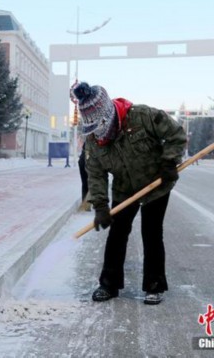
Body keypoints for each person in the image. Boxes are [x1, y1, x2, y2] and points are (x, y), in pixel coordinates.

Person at [71, 82, 186, 305]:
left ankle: (154, 286)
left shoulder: (142, 116)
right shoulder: (94, 142)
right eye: (92, 129)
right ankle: (108, 285)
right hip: (124, 188)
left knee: (151, 232)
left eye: (99, 127)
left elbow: (175, 134)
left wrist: (169, 161)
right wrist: (101, 206)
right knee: (117, 233)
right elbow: (96, 175)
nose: (98, 134)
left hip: (156, 183)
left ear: (108, 116)